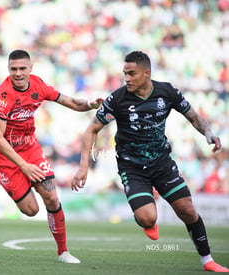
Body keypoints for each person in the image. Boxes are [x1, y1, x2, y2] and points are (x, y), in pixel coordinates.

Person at [71, 51, 229, 272]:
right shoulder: (117, 99)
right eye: (124, 73)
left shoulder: (167, 92)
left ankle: (208, 260)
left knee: (187, 210)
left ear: (147, 73)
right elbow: (92, 129)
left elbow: (193, 116)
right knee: (147, 218)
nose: (126, 78)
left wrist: (209, 133)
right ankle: (145, 219)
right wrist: (83, 167)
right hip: (131, 166)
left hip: (162, 163)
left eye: (132, 73)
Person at [0, 49, 102, 264]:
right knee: (31, 210)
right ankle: (23, 185)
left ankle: (63, 252)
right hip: (3, 156)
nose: (18, 73)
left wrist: (90, 105)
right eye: (13, 69)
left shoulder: (38, 85)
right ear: (8, 69)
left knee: (52, 196)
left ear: (30, 68)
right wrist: (24, 167)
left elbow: (72, 102)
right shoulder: (1, 97)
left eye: (22, 68)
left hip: (30, 147)